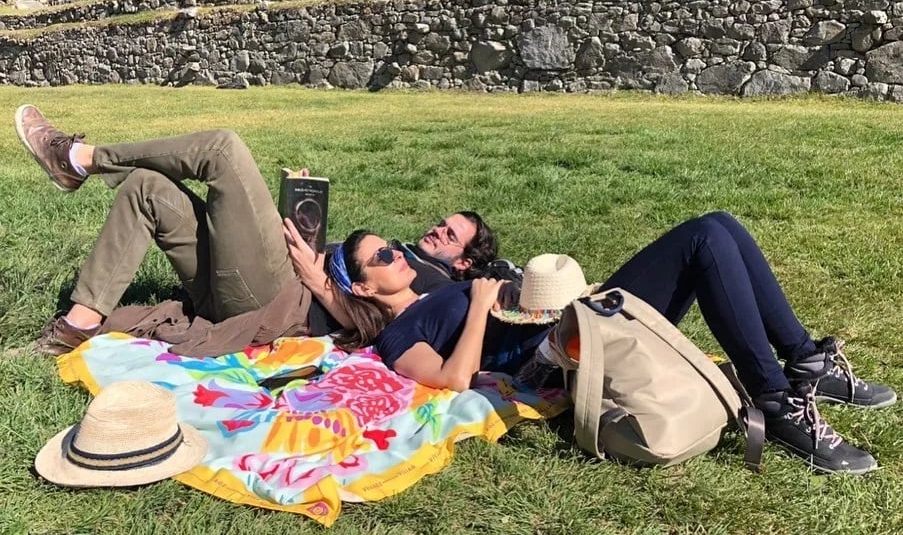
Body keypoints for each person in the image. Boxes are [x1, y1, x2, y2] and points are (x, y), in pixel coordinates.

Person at [322, 214, 896, 475]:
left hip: (571, 320)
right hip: (559, 360)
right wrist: (476, 309)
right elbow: (449, 379)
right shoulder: (399, 333)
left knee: (718, 226)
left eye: (393, 245)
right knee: (700, 242)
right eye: (382, 256)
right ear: (366, 286)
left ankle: (806, 362)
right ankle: (775, 399)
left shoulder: (438, 281)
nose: (399, 254)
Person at [14, 104, 499, 355]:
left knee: (222, 151)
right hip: (261, 280)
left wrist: (324, 288)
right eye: (442, 222)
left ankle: (78, 159)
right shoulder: (411, 258)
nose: (435, 232)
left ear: (465, 263)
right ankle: (78, 325)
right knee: (147, 188)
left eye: (451, 236)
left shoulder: (438, 286)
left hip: (280, 298)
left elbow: (392, 329)